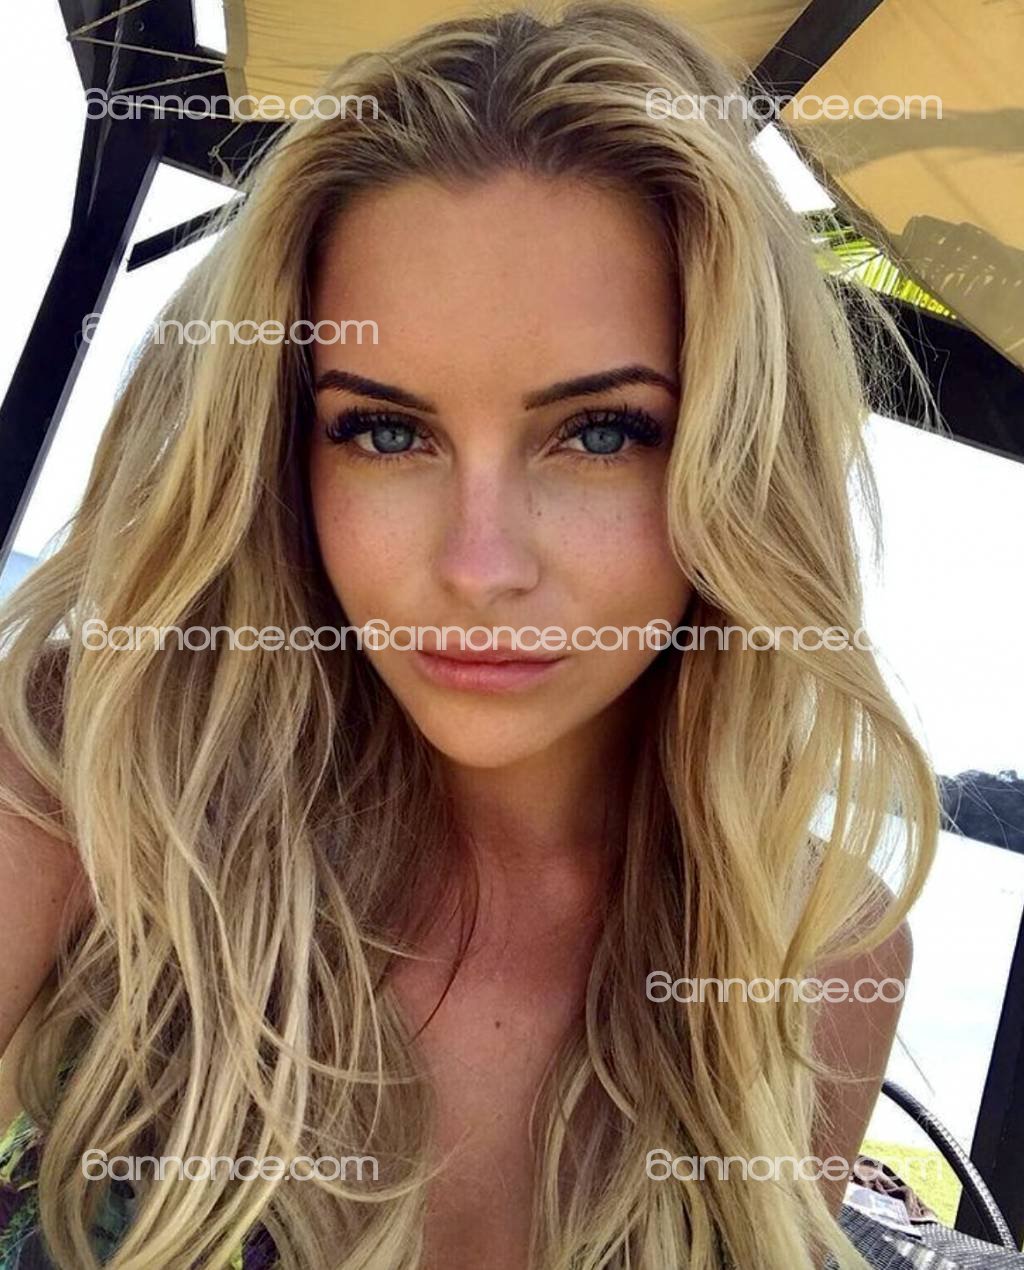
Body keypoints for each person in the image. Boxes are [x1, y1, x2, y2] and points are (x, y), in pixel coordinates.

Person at [0, 2, 940, 1267]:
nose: (479, 566)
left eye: (600, 432)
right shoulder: (85, 784)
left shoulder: (815, 956)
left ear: (738, 459)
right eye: (386, 432)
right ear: (284, 451)